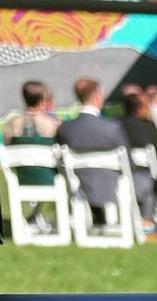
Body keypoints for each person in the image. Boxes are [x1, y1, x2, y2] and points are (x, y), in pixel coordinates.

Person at [56, 78, 130, 221]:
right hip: (111, 184)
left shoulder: (66, 128)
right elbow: (127, 159)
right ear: (97, 96)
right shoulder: (112, 127)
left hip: (77, 183)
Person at [119, 92, 157, 236]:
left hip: (118, 177)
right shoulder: (148, 129)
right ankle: (148, 223)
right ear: (140, 109)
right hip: (144, 180)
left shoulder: (116, 125)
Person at [2, 81, 61, 186]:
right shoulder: (53, 124)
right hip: (51, 179)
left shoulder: (11, 124)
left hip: (22, 179)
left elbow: (6, 146)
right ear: (42, 100)